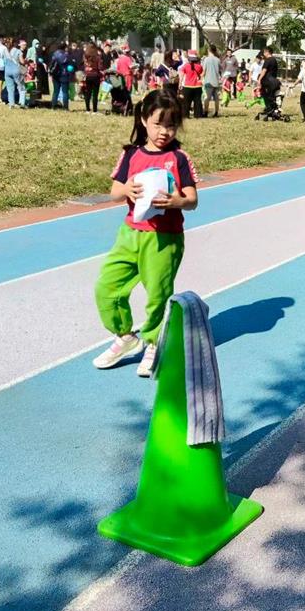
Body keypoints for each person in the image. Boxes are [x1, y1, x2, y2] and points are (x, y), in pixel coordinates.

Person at [92, 88, 199, 375]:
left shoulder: (178, 158)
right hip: (130, 234)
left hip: (164, 239)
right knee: (107, 287)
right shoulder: (131, 154)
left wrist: (177, 201)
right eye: (158, 124)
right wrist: (127, 189)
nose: (164, 131)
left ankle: (154, 342)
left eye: (171, 125)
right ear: (143, 120)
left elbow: (192, 200)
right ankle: (126, 337)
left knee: (157, 295)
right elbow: (114, 192)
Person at [256, 46, 280, 120]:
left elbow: (264, 70)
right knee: (272, 97)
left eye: (264, 52)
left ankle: (269, 110)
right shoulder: (274, 60)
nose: (263, 54)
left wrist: (259, 79)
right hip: (274, 81)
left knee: (266, 96)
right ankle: (273, 111)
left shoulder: (268, 60)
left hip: (268, 81)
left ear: (267, 52)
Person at [179, 49, 204, 118]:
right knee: (197, 101)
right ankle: (198, 115)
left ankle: (185, 115)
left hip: (187, 86)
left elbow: (181, 76)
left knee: (186, 102)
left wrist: (180, 84)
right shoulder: (199, 66)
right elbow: (202, 74)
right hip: (197, 86)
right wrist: (200, 80)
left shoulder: (185, 66)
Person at [5, 38, 28, 109]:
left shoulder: (5, 51)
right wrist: (26, 61)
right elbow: (22, 61)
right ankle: (22, 104)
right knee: (22, 87)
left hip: (7, 71)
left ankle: (11, 104)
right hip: (16, 71)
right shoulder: (18, 51)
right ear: (15, 44)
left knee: (10, 88)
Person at [202, 44, 222, 117]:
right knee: (216, 98)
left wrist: (201, 78)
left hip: (208, 81)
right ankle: (216, 112)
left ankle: (205, 112)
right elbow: (220, 69)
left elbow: (204, 71)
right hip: (216, 81)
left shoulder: (206, 59)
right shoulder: (218, 60)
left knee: (207, 98)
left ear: (209, 50)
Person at [83, 43, 103, 113]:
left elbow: (83, 65)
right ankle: (94, 110)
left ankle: (87, 109)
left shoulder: (85, 57)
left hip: (87, 76)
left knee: (88, 93)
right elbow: (100, 67)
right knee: (95, 94)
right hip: (95, 76)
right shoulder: (97, 57)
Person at [50, 42, 70, 110]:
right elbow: (70, 63)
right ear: (65, 47)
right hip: (64, 74)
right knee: (65, 92)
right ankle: (65, 107)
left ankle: (53, 106)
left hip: (55, 74)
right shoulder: (66, 55)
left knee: (56, 91)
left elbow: (52, 64)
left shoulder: (55, 54)